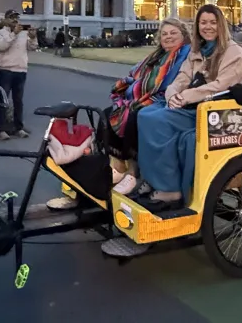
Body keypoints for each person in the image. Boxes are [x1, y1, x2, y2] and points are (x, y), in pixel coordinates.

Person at [46, 18, 192, 210]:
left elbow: (169, 82)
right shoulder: (157, 55)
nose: (168, 37)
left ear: (184, 35)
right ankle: (117, 168)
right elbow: (137, 74)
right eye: (164, 34)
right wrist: (127, 85)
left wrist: (139, 94)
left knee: (133, 117)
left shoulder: (185, 54)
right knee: (108, 114)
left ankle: (133, 171)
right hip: (147, 97)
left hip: (164, 99)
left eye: (174, 33)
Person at [134, 4, 242, 211]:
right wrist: (172, 95)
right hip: (193, 105)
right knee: (144, 113)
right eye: (203, 23)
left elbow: (221, 85)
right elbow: (183, 77)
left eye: (213, 22)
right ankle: (154, 177)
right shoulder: (197, 50)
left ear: (220, 25)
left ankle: (170, 188)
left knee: (156, 120)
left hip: (216, 111)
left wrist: (185, 97)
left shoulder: (233, 52)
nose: (208, 27)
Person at [0, 9, 38, 140]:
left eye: (16, 17)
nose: (14, 20)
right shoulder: (0, 33)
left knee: (18, 101)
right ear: (5, 20)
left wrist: (33, 37)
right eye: (11, 17)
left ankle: (18, 127)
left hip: (21, 70)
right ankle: (1, 129)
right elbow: (2, 46)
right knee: (3, 100)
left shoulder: (23, 33)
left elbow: (33, 48)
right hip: (6, 70)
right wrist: (14, 34)